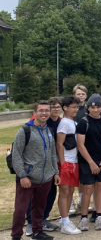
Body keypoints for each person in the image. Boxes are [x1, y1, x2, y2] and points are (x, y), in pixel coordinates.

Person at [11, 101, 60, 240]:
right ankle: (16, 236)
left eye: (46, 110)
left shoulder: (49, 130)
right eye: (41, 110)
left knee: (39, 208)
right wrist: (22, 175)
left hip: (45, 178)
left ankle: (37, 231)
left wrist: (55, 172)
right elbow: (17, 155)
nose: (44, 113)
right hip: (28, 178)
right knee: (21, 210)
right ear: (35, 113)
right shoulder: (24, 131)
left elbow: (51, 153)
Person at [25, 97, 61, 236]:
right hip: (35, 166)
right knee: (33, 196)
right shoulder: (32, 125)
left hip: (51, 164)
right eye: (52, 107)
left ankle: (42, 219)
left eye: (57, 107)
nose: (54, 110)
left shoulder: (59, 122)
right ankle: (30, 222)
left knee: (50, 193)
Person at [76, 94, 101, 231]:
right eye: (92, 107)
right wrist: (91, 162)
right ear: (88, 108)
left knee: (100, 186)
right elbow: (80, 145)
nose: (95, 110)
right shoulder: (84, 122)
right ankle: (83, 217)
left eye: (98, 107)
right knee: (88, 188)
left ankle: (99, 215)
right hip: (86, 161)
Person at [56, 96, 82, 235]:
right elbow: (59, 143)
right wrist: (63, 162)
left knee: (70, 192)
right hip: (66, 162)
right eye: (73, 107)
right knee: (65, 192)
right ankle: (65, 221)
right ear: (65, 108)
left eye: (77, 107)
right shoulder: (64, 123)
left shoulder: (73, 122)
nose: (76, 109)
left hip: (74, 162)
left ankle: (64, 219)